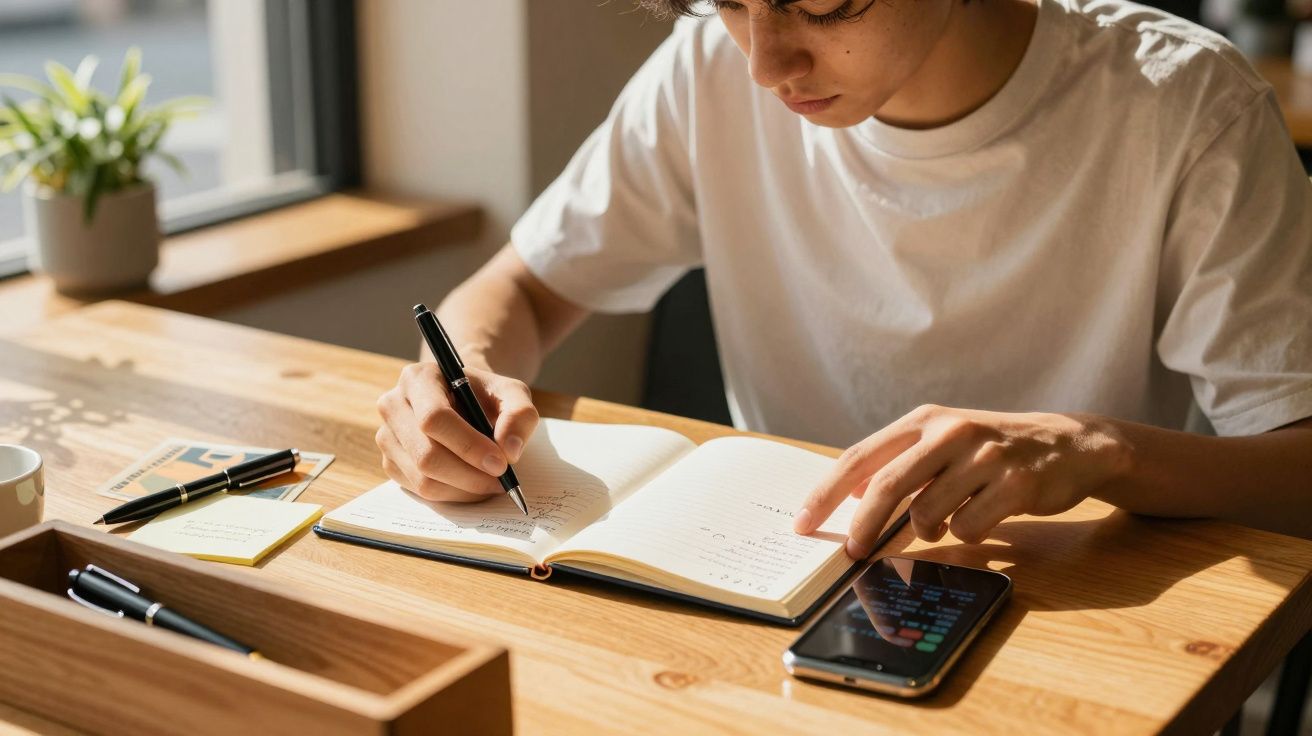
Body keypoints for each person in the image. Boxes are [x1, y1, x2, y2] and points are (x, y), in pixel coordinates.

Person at [375, 0, 1312, 557]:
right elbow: (527, 287)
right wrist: (455, 387)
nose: (764, 62)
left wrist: (1101, 447)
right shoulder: (707, 68)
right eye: (729, 3)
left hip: (1068, 607)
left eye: (822, 3)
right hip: (766, 575)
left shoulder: (1186, 106)